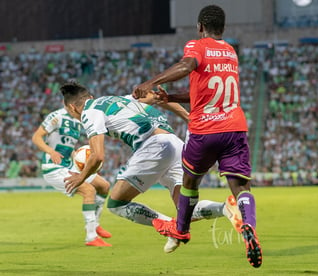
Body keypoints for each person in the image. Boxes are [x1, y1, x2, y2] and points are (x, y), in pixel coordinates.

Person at [133, 5, 262, 268]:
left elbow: (186, 64)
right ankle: (248, 225)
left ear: (200, 26)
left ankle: (181, 229)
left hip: (205, 130)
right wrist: (172, 98)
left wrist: (151, 82)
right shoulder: (230, 52)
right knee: (240, 187)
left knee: (190, 181)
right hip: (235, 127)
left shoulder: (198, 45)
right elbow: (203, 93)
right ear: (223, 28)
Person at [60, 81, 241, 253]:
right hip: (175, 143)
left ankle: (169, 226)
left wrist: (81, 176)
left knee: (116, 203)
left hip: (153, 146)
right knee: (184, 209)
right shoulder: (118, 99)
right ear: (90, 95)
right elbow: (160, 98)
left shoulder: (89, 112)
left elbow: (98, 156)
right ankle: (226, 208)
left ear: (72, 107)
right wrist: (188, 117)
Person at [32, 106, 112, 247]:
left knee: (104, 186)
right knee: (89, 191)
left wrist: (80, 159)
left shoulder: (78, 121)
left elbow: (68, 145)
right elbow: (36, 137)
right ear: (71, 105)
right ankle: (91, 237)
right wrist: (51, 152)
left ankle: (95, 224)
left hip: (69, 165)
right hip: (54, 167)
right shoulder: (56, 116)